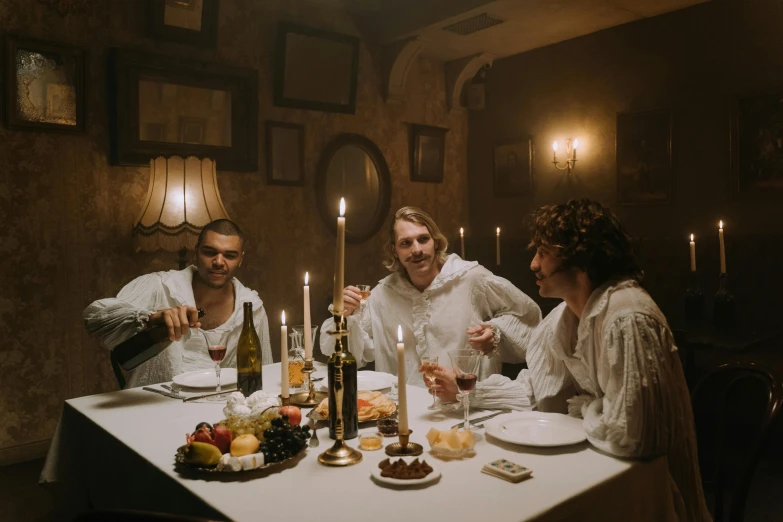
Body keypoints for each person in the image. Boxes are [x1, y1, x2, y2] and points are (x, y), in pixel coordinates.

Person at [438, 199, 709, 521]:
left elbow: (634, 437)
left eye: (543, 252)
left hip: (648, 490)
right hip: (602, 466)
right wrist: (468, 391)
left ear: (580, 258)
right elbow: (540, 392)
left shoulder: (627, 317)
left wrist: (583, 406)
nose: (533, 265)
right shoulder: (564, 318)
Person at [319, 206, 541, 387]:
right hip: (405, 413)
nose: (416, 249)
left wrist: (495, 331)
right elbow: (341, 354)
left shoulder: (471, 279)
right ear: (395, 251)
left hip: (466, 407)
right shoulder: (382, 296)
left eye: (423, 239)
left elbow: (528, 316)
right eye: (406, 243)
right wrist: (345, 315)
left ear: (435, 242)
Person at [83, 219, 272, 389]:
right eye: (209, 252)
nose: (219, 262)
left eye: (230, 255)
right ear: (196, 251)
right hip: (153, 413)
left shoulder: (251, 307)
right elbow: (93, 318)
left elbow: (265, 372)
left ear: (241, 259)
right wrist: (151, 318)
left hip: (218, 418)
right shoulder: (160, 286)